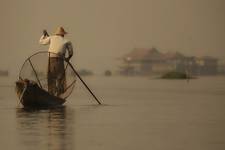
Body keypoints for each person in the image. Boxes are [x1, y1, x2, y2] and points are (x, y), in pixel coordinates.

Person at [39, 27, 73, 96]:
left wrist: (44, 35)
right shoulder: (67, 41)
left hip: (51, 59)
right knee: (60, 77)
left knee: (51, 77)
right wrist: (68, 58)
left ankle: (51, 92)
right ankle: (59, 93)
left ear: (57, 34)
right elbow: (71, 52)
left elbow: (41, 42)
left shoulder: (51, 38)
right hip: (60, 60)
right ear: (63, 34)